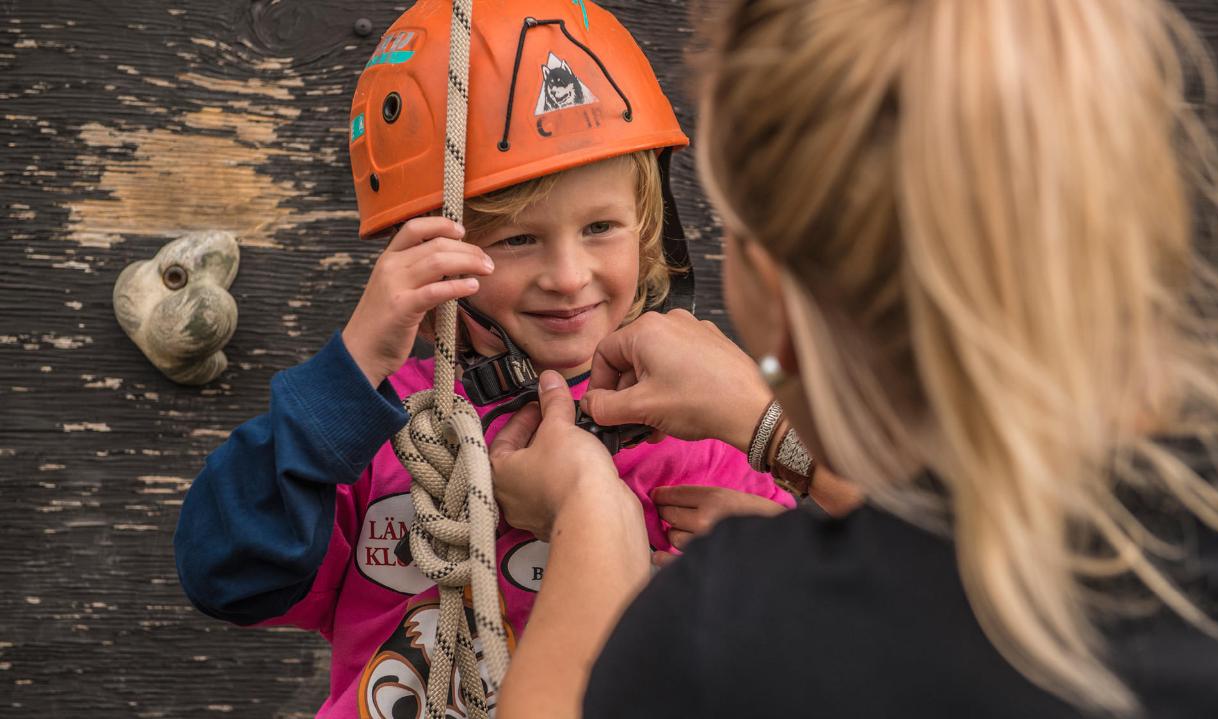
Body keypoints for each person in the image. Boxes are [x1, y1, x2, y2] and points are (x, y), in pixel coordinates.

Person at [488, 0, 1218, 716]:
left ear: (778, 296)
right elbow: (957, 532)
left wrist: (593, 512)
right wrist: (766, 425)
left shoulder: (732, 637)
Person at [172, 2, 798, 716]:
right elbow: (226, 571)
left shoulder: (700, 437)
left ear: (651, 232)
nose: (568, 275)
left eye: (600, 227)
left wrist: (778, 569)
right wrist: (350, 371)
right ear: (428, 250)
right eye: (517, 240)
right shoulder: (378, 433)